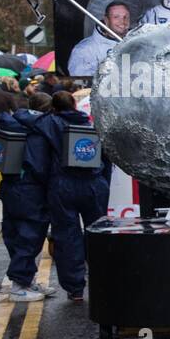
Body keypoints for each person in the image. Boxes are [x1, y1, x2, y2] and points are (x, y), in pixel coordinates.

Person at [33, 92, 111, 301]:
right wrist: (104, 183)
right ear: (74, 104)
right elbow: (107, 157)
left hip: (62, 185)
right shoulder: (92, 123)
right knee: (98, 233)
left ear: (54, 107)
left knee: (67, 236)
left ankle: (75, 288)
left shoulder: (47, 124)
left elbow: (40, 162)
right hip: (94, 184)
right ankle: (104, 280)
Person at [0, 102, 56, 302]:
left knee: (14, 233)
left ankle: (25, 281)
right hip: (30, 190)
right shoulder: (36, 133)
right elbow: (39, 167)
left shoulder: (10, 126)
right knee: (31, 235)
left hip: (9, 186)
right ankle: (20, 284)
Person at [68, 3, 131, 76]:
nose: (123, 21)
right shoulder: (85, 49)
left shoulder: (138, 43)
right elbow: (80, 78)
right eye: (116, 17)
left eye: (126, 17)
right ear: (106, 20)